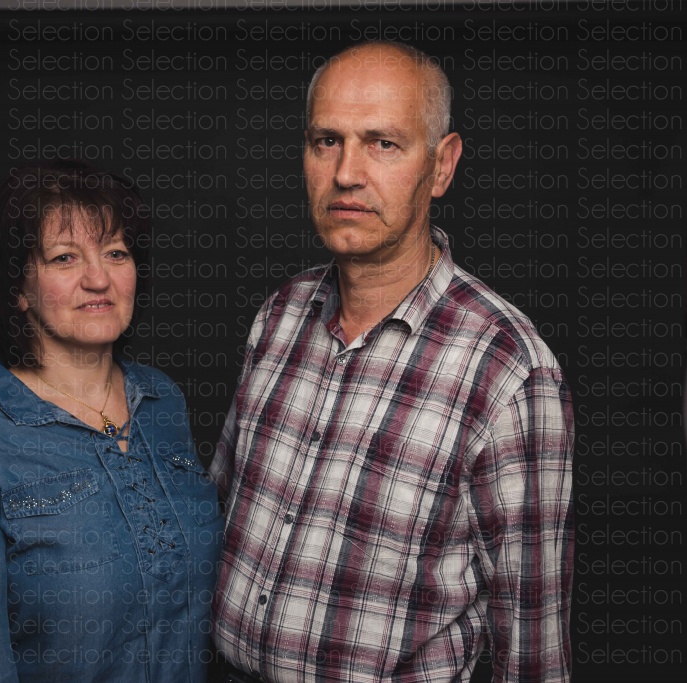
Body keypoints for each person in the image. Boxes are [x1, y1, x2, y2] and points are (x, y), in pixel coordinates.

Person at [210, 41, 574, 682]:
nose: (346, 173)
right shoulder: (280, 316)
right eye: (326, 141)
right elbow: (216, 517)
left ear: (441, 165)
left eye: (383, 143)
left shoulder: (507, 372)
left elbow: (532, 648)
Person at [0, 160, 221, 682]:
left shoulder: (162, 401)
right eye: (65, 257)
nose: (99, 279)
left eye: (116, 253)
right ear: (18, 288)